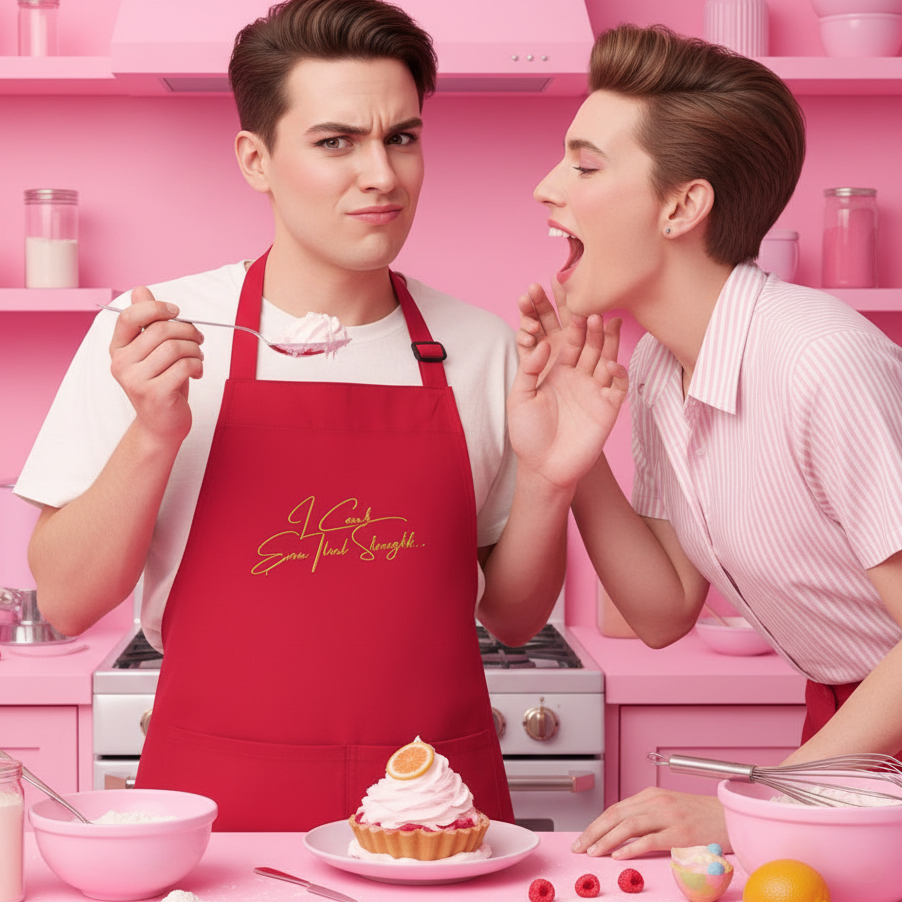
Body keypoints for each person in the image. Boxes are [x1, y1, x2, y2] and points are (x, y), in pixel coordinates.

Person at [16, 0, 625, 832]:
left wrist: (553, 481)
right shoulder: (156, 337)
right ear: (256, 159)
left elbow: (514, 618)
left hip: (437, 812)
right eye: (335, 142)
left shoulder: (483, 349)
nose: (381, 174)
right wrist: (155, 430)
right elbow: (70, 597)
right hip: (215, 808)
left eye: (401, 137)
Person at [515, 22, 902, 858]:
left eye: (584, 166)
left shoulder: (819, 359)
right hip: (853, 717)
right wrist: (571, 457)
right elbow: (662, 609)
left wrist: (750, 808)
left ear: (683, 206)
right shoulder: (660, 366)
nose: (548, 188)